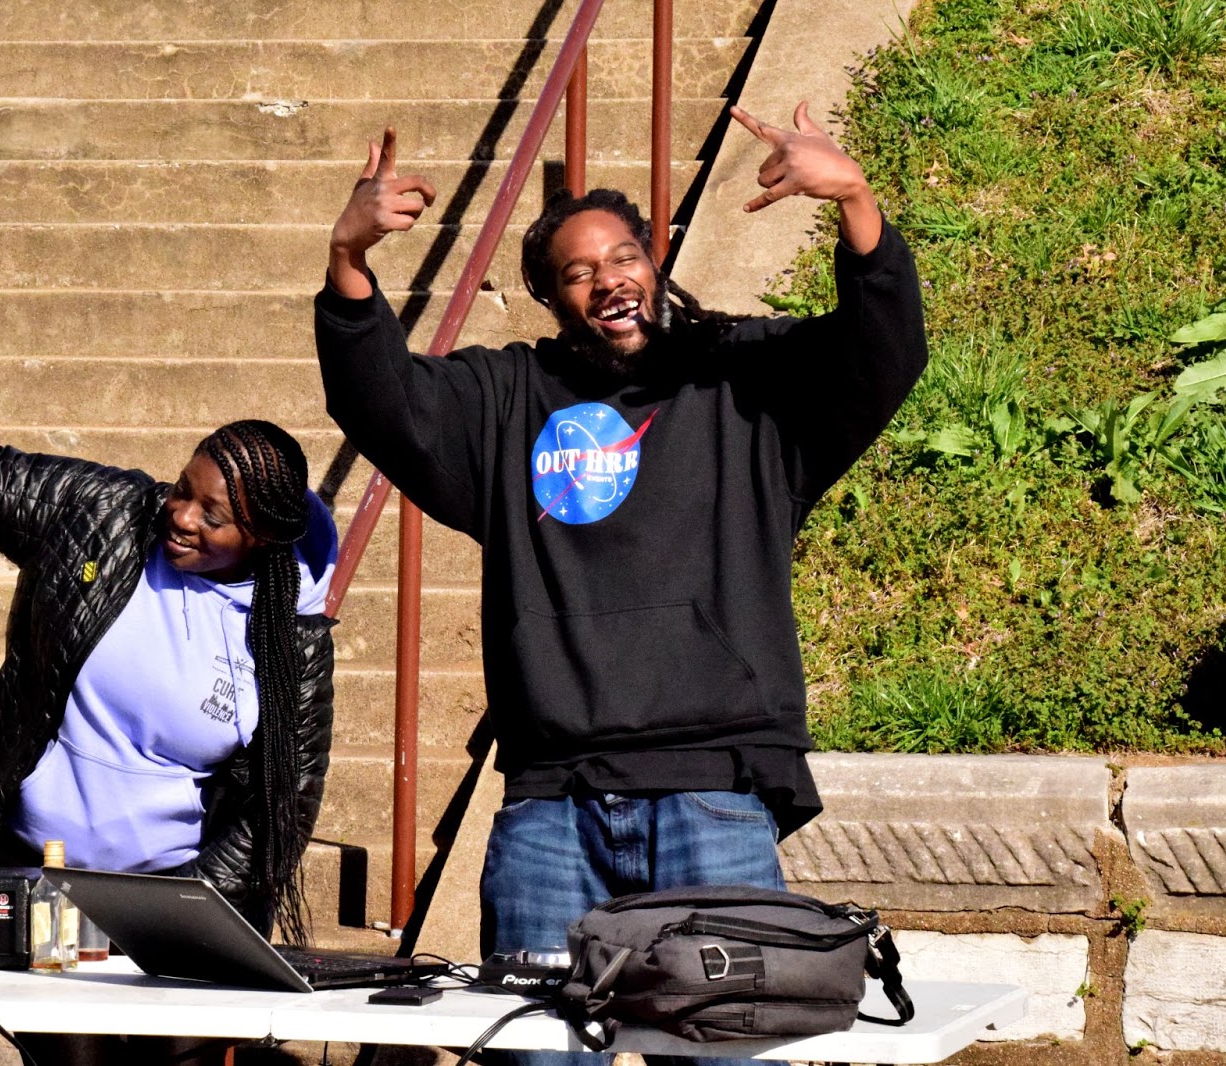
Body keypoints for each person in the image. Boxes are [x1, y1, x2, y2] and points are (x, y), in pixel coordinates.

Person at [315, 104, 926, 1066]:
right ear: (553, 298)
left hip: (712, 797)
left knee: (724, 1055)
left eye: (623, 257)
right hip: (551, 807)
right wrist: (350, 266)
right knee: (535, 1058)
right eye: (578, 271)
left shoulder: (745, 381)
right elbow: (381, 400)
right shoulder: (507, 400)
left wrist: (854, 199)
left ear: (656, 259)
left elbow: (880, 355)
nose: (609, 281)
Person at [0, 276, 339, 1064]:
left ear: (261, 537)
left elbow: (281, 809)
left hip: (187, 905)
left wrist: (184, 910)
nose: (181, 516)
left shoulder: (287, 632)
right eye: (184, 490)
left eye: (212, 515)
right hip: (50, 888)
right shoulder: (103, 517)